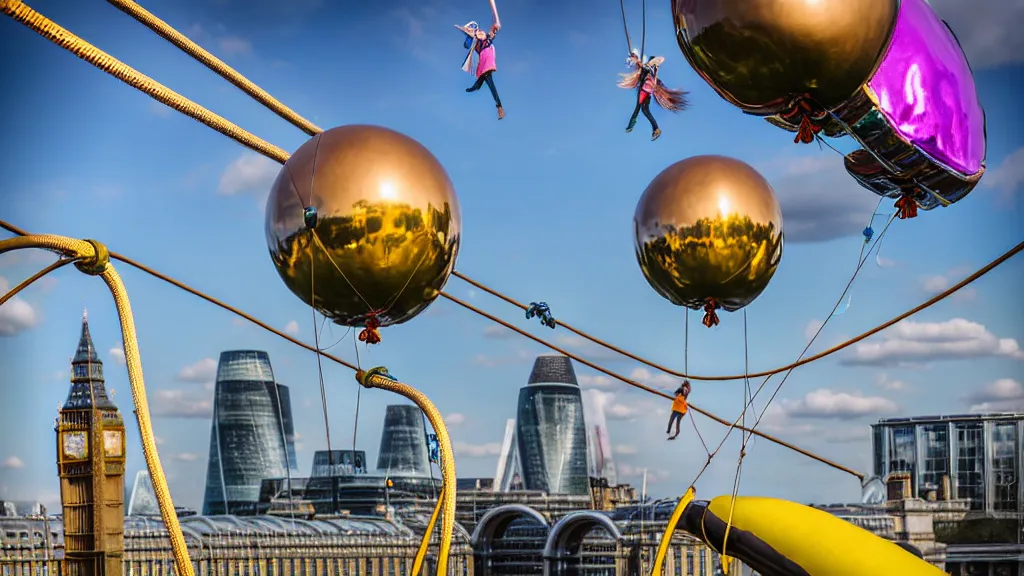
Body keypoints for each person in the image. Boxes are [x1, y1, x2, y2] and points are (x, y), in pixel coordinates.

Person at [618, 49, 688, 141]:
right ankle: (655, 129)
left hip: (645, 89)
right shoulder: (653, 72)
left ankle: (631, 125)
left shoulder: (648, 68)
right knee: (644, 110)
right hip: (648, 91)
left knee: (638, 108)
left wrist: (635, 59)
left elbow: (642, 66)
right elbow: (645, 70)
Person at [456, 21, 504, 120]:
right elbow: (466, 45)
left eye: (481, 31)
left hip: (488, 62)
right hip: (483, 63)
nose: (481, 32)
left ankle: (499, 106)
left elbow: (493, 31)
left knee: (490, 82)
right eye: (478, 33)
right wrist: (468, 34)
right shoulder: (477, 44)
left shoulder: (488, 38)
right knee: (484, 80)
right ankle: (476, 87)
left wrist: (496, 26)